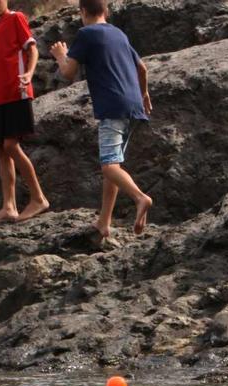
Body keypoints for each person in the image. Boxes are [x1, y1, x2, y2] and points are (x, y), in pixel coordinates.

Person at [49, 0, 153, 239]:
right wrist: (144, 93)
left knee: (109, 165)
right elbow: (143, 69)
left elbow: (67, 72)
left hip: (112, 107)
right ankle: (104, 223)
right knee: (114, 163)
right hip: (133, 105)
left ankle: (140, 197)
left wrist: (60, 55)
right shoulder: (118, 33)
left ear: (83, 12)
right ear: (105, 11)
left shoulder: (87, 33)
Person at [0, 0, 50, 228]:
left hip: (18, 91)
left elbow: (32, 49)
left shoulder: (16, 18)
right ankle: (9, 206)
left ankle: (38, 198)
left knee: (11, 145)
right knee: (0, 148)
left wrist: (30, 74)